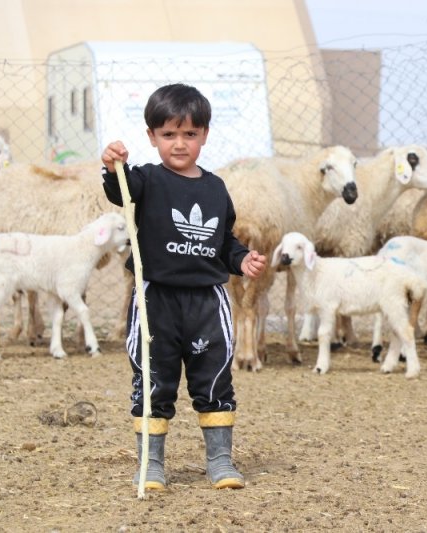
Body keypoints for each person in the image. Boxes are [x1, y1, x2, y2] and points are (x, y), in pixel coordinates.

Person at [101, 83, 267, 490]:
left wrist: (240, 259)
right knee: (154, 378)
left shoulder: (215, 188)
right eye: (168, 134)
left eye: (190, 134)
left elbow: (223, 240)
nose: (180, 144)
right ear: (152, 137)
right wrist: (112, 167)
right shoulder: (146, 180)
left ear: (205, 135)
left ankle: (220, 460)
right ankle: (152, 464)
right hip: (156, 297)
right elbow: (117, 192)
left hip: (206, 301)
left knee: (214, 377)